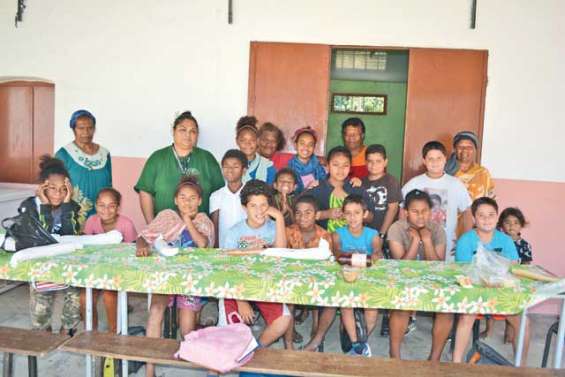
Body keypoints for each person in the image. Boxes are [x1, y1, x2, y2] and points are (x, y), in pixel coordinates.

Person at [136, 176, 215, 377]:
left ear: (199, 201)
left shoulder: (203, 220)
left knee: (186, 330)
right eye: (182, 197)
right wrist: (142, 246)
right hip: (165, 278)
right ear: (175, 200)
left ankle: (201, 345)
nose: (187, 202)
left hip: (191, 280)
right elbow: (143, 236)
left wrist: (188, 219)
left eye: (192, 198)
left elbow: (203, 244)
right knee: (155, 311)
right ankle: (150, 369)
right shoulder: (167, 215)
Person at [453, 197, 530, 364]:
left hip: (500, 290)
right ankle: (456, 363)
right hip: (475, 291)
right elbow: (463, 272)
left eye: (491, 215)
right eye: (481, 215)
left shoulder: (506, 241)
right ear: (474, 218)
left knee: (523, 321)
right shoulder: (466, 240)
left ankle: (521, 366)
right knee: (467, 317)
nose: (486, 219)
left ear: (497, 218)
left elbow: (512, 268)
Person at [221, 180, 291, 347]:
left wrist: (280, 217)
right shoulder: (235, 232)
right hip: (236, 286)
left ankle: (256, 348)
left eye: (263, 205)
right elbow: (227, 269)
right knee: (234, 332)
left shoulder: (274, 227)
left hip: (264, 285)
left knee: (284, 320)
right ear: (245, 208)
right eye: (253, 206)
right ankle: (239, 347)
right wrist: (241, 301)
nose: (259, 210)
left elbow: (280, 253)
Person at [20, 155, 82, 335]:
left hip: (66, 264)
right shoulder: (30, 206)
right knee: (41, 311)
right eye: (52, 189)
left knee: (75, 297)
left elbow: (72, 236)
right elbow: (42, 238)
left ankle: (67, 331)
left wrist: (68, 204)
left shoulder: (70, 206)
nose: (58, 194)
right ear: (42, 188)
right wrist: (45, 206)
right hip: (40, 265)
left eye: (63, 189)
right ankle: (43, 335)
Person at [387, 189, 451, 361]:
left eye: (425, 211)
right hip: (404, 278)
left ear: (430, 212)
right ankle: (395, 355)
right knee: (401, 307)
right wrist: (415, 241)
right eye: (415, 211)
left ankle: (434, 358)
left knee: (446, 311)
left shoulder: (437, 230)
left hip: (431, 279)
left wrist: (427, 240)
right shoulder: (396, 228)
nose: (420, 216)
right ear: (406, 212)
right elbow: (401, 266)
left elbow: (438, 267)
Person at [135, 111, 224, 224]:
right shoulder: (157, 158)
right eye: (183, 130)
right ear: (173, 131)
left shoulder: (207, 159)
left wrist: (214, 228)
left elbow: (219, 195)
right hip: (165, 229)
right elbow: (145, 192)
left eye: (193, 131)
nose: (188, 135)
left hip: (199, 230)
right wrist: (151, 225)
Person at [402, 141, 473, 261]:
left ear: (445, 159)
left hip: (448, 245)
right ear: (424, 161)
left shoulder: (455, 184)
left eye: (439, 158)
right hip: (417, 244)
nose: (435, 162)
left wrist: (466, 240)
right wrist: (405, 237)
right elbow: (402, 212)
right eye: (430, 159)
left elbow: (467, 212)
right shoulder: (414, 183)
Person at [81, 188, 137, 333]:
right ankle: (91, 331)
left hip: (117, 271)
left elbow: (133, 251)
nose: (106, 210)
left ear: (118, 207)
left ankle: (114, 332)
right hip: (95, 269)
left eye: (111, 206)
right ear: (95, 206)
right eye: (101, 205)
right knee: (83, 298)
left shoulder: (126, 224)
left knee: (109, 296)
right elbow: (84, 247)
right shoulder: (92, 221)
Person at [332, 194, 382, 357]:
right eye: (348, 213)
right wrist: (362, 259)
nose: (352, 217)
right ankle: (355, 343)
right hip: (347, 276)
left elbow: (376, 251)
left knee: (372, 307)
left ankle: (362, 339)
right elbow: (338, 253)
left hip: (367, 277)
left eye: (357, 213)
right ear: (343, 215)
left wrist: (373, 255)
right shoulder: (337, 233)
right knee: (346, 304)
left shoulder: (372, 233)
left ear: (365, 214)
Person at [283, 195, 333, 350]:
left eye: (308, 213)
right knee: (288, 301)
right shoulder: (288, 232)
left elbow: (327, 264)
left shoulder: (324, 236)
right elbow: (281, 258)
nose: (302, 217)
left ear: (317, 215)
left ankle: (316, 326)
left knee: (319, 296)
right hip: (292, 277)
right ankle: (288, 340)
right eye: (298, 213)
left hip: (315, 278)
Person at [481, 207, 533, 340]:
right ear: (501, 225)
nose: (511, 226)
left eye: (516, 223)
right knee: (493, 305)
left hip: (515, 280)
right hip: (498, 278)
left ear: (521, 225)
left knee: (512, 307)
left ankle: (509, 332)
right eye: (508, 222)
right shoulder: (498, 241)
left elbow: (527, 265)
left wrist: (522, 278)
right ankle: (489, 329)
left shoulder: (525, 245)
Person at [56, 109, 112, 219]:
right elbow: (56, 188)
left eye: (90, 128)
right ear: (73, 129)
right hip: (75, 215)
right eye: (81, 128)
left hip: (102, 213)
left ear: (94, 129)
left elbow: (109, 184)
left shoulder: (104, 153)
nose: (86, 133)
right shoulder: (64, 154)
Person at [303, 146, 370, 232]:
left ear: (350, 167)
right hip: (324, 241)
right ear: (327, 166)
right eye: (335, 165)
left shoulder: (356, 188)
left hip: (352, 242)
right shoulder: (317, 188)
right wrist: (326, 214)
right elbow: (300, 213)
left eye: (345, 165)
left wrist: (353, 215)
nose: (340, 169)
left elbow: (371, 217)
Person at [210, 149, 248, 248]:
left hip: (247, 247)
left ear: (244, 170)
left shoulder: (250, 194)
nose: (230, 170)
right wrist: (216, 248)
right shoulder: (216, 196)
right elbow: (215, 226)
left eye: (235, 166)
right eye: (226, 166)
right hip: (225, 247)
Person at [361, 144, 402, 236]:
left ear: (385, 162)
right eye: (370, 161)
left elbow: (393, 209)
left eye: (378, 161)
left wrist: (382, 234)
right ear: (365, 162)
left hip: (387, 233)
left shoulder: (391, 181)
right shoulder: (361, 182)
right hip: (365, 233)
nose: (374, 165)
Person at [446, 131, 495, 200]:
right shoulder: (446, 170)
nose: (465, 150)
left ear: (475, 150)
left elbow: (491, 199)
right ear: (454, 149)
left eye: (469, 147)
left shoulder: (483, 173)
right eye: (460, 147)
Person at [236, 116, 277, 184]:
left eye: (252, 140)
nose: (248, 143)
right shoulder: (228, 164)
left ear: (258, 141)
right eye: (243, 140)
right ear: (237, 141)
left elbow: (272, 192)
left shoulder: (268, 166)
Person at [287, 127, 327, 193]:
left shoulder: (320, 167)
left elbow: (325, 187)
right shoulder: (289, 169)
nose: (306, 147)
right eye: (302, 143)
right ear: (295, 145)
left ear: (314, 147)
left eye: (310, 144)